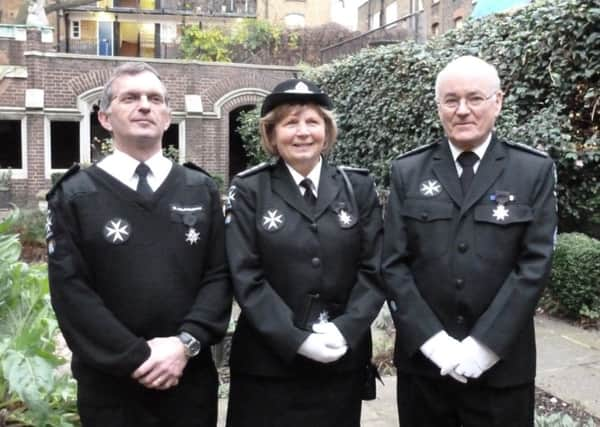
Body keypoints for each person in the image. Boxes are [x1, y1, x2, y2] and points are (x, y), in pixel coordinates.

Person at [46, 62, 231, 427]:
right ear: (104, 118)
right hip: (111, 388)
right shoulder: (75, 195)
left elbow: (220, 275)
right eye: (130, 97)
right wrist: (137, 357)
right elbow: (71, 292)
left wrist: (184, 345)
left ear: (167, 117)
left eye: (155, 99)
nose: (144, 105)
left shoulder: (201, 189)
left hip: (188, 382)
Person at [381, 55, 557, 427]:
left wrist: (485, 345)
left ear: (498, 101)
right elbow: (393, 262)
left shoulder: (532, 170)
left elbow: (535, 264)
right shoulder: (408, 170)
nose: (462, 110)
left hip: (502, 368)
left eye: (475, 98)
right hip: (425, 370)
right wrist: (433, 342)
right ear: (438, 106)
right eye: (451, 100)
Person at [224, 78, 385, 427]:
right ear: (272, 134)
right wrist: (295, 338)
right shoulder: (250, 190)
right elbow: (245, 274)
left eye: (312, 121)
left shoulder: (357, 188)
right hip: (267, 367)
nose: (302, 132)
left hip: (339, 361)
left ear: (326, 131)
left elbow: (374, 269)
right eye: (290, 122)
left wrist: (346, 328)